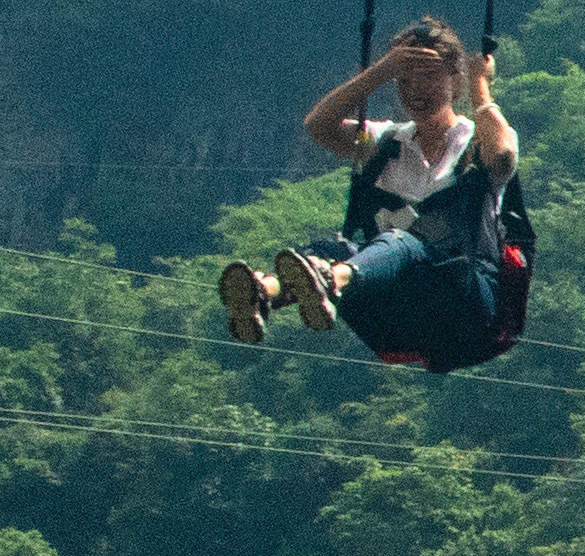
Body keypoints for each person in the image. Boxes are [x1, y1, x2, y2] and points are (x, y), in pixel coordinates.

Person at [214, 19, 531, 373]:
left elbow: (502, 155)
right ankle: (265, 294)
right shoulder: (382, 143)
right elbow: (319, 126)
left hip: (463, 305)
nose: (415, 89)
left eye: (428, 76)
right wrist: (381, 71)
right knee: (331, 249)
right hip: (393, 316)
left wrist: (479, 84)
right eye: (406, 80)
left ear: (453, 80)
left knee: (400, 243)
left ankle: (330, 280)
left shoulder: (477, 144)